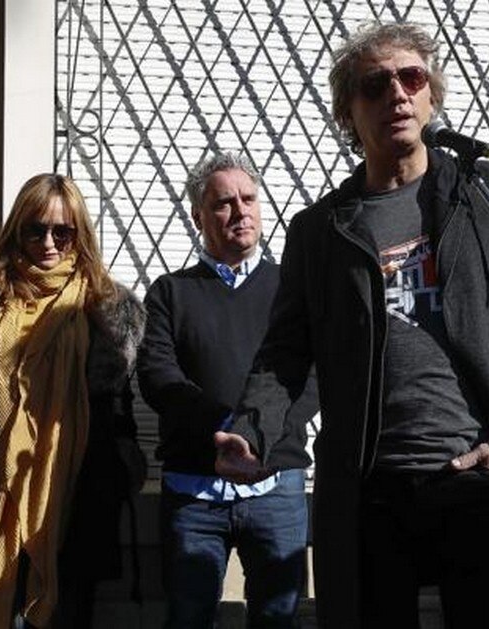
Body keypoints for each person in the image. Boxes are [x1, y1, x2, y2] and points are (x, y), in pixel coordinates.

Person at [214, 22, 489, 628]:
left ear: (430, 95)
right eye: (375, 84)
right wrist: (253, 428)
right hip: (369, 489)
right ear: (349, 112)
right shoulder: (320, 231)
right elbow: (287, 352)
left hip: (476, 473)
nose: (397, 93)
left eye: (411, 77)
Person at [0, 173, 145, 629]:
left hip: (76, 492)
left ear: (79, 235)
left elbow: (117, 411)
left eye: (62, 232)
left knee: (69, 612)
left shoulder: (106, 306)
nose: (48, 243)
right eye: (35, 229)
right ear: (16, 231)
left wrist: (123, 470)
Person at [137, 152, 311, 628]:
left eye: (248, 198)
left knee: (279, 619)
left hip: (277, 487)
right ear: (198, 217)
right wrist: (224, 429)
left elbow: (312, 375)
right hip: (194, 496)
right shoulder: (170, 293)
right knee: (188, 619)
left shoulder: (292, 288)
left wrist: (258, 437)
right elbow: (157, 375)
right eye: (223, 203)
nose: (240, 211)